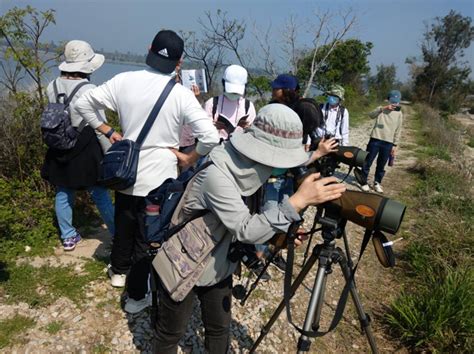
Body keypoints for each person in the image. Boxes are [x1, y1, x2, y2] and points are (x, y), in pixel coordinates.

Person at [153, 103, 346, 353]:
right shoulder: (218, 175)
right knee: (171, 333)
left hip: (218, 263)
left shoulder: (249, 169)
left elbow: (248, 220)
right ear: (263, 152)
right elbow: (245, 228)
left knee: (219, 328)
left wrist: (278, 236)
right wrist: (297, 202)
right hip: (182, 264)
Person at [74, 30, 220, 313]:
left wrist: (108, 131)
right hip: (160, 178)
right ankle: (136, 297)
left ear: (149, 49)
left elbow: (82, 104)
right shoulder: (180, 95)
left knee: (124, 222)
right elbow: (211, 137)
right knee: (148, 236)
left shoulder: (124, 81)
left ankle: (118, 273)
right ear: (179, 63)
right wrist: (190, 159)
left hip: (127, 170)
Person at [41, 40, 115, 252]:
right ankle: (116, 233)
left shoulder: (52, 85)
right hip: (84, 145)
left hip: (59, 144)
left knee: (63, 191)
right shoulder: (89, 89)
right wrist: (110, 152)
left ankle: (68, 236)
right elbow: (99, 124)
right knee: (99, 192)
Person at [360, 90, 403, 193]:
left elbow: (398, 129)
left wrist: (395, 145)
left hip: (388, 142)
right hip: (375, 139)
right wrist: (383, 108)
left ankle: (377, 183)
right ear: (388, 100)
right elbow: (370, 115)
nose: (394, 104)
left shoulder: (399, 114)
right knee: (368, 161)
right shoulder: (381, 109)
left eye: (396, 101)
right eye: (392, 101)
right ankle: (363, 182)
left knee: (381, 164)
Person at [204, 64, 257, 140]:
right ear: (223, 83)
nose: (234, 94)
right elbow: (202, 130)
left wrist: (247, 128)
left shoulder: (248, 106)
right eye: (231, 91)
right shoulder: (212, 103)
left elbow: (253, 133)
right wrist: (213, 127)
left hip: (238, 147)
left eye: (236, 92)